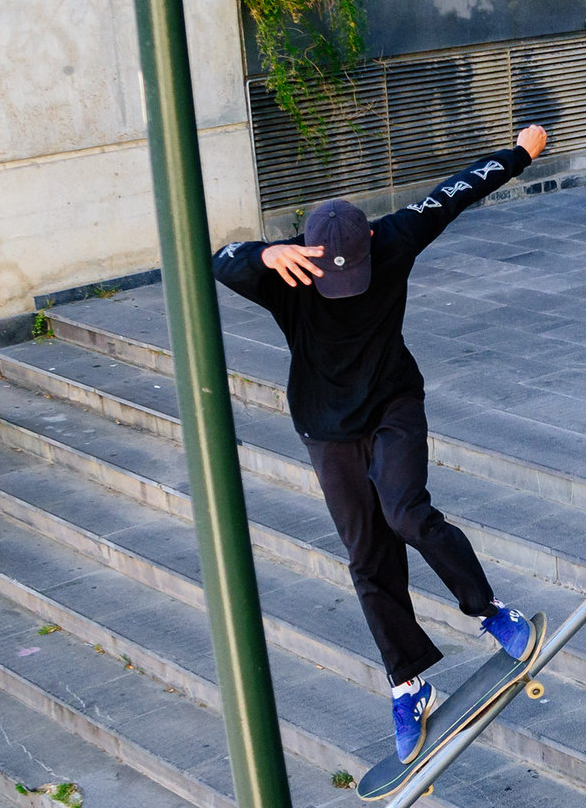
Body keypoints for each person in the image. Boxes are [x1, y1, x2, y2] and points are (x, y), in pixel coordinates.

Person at [211, 126, 550, 765]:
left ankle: (488, 610)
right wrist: (259, 255)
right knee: (367, 556)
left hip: (394, 403)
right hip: (325, 427)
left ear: (370, 241)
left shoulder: (392, 237)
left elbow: (455, 192)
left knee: (406, 513)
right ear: (304, 254)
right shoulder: (286, 270)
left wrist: (519, 152)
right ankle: (408, 682)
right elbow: (215, 258)